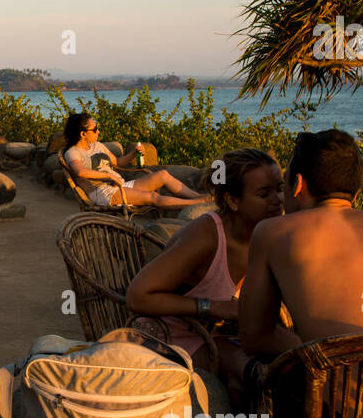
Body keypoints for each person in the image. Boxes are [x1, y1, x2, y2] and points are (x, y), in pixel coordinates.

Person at [239, 129, 363, 364]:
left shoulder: (272, 232)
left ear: (298, 184)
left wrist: (311, 344)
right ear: (354, 188)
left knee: (239, 366)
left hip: (342, 399)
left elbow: (254, 338)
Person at [126, 148, 296, 404]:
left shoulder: (270, 235)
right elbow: (138, 296)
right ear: (232, 200)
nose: (277, 200)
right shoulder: (206, 236)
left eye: (280, 189)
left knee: (301, 357)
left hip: (227, 335)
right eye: (264, 193)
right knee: (252, 372)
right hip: (172, 337)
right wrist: (216, 308)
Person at [61, 112, 211, 210]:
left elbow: (118, 162)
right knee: (153, 197)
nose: (98, 131)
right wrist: (108, 176)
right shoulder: (73, 152)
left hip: (120, 185)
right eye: (95, 129)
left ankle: (198, 197)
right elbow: (79, 171)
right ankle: (196, 204)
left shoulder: (98, 146)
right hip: (103, 193)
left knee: (163, 175)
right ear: (83, 134)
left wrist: (132, 154)